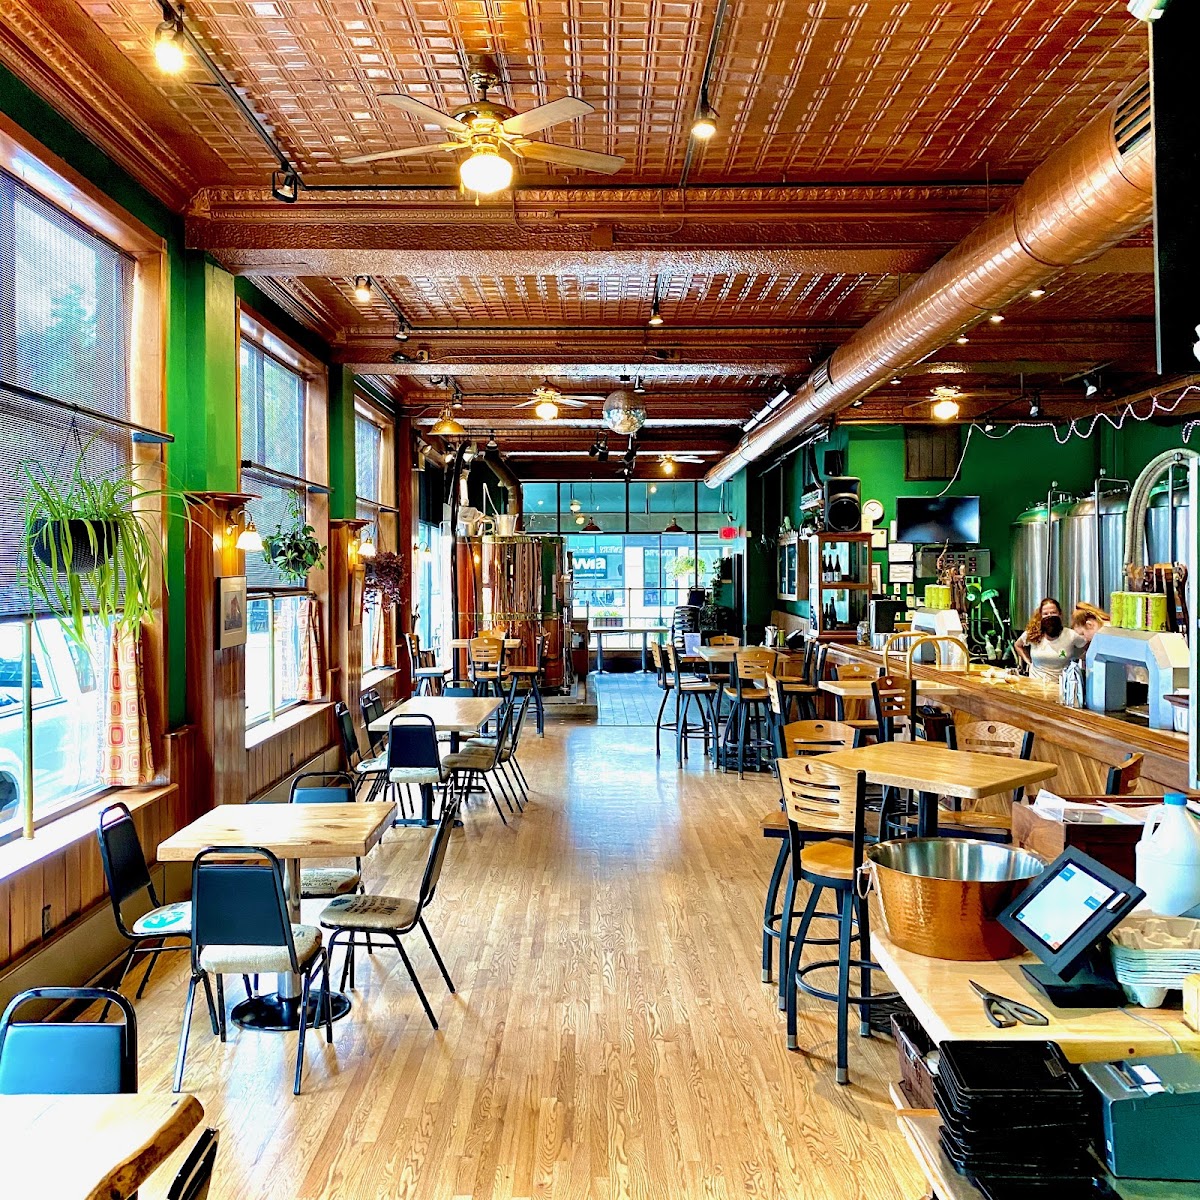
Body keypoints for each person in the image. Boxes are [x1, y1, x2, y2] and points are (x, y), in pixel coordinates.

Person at [1014, 597, 1085, 683]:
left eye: (1053, 613)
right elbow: (1018, 645)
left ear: (1060, 614)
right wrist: (1029, 662)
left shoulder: (1071, 635)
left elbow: (1086, 648)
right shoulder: (1033, 633)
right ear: (1041, 616)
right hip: (1035, 684)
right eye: (1045, 614)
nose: (1049, 616)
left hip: (1060, 685)